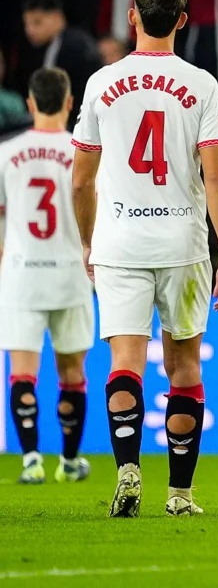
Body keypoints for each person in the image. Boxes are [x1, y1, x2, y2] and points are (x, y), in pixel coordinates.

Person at [70, 0, 218, 518]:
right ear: (184, 22)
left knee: (125, 362)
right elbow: (216, 177)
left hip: (118, 239)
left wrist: (86, 243)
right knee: (184, 366)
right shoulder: (201, 85)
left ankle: (126, 471)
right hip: (182, 243)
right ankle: (180, 495)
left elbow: (79, 179)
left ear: (132, 16)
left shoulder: (100, 83)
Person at [0, 67, 95, 485]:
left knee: (23, 371)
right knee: (72, 372)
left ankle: (31, 460)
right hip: (71, 273)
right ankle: (70, 462)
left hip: (21, 274)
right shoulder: (84, 151)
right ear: (70, 102)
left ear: (31, 103)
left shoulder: (7, 151)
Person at [15, 0, 103, 126]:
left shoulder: (72, 47)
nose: (29, 30)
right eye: (26, 24)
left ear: (57, 17)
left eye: (37, 22)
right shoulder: (61, 43)